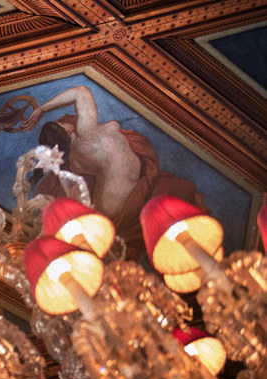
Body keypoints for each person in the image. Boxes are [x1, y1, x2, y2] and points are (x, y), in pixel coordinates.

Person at [20, 85, 202, 254]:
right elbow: (81, 92)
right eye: (61, 121)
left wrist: (42, 110)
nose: (66, 119)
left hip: (134, 184)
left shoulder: (81, 141)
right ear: (67, 132)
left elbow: (81, 91)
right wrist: (42, 109)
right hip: (113, 204)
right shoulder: (80, 145)